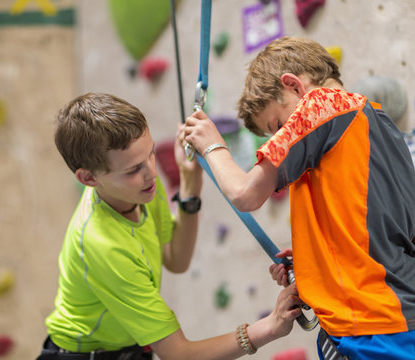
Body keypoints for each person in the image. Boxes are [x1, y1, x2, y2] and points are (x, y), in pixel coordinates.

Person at [183, 36, 415, 360]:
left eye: (278, 125)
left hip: (369, 322)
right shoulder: (377, 120)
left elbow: (245, 193)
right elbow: (385, 221)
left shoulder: (319, 105)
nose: (282, 136)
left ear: (294, 86)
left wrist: (211, 144)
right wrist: (315, 257)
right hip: (397, 312)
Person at [36, 92, 303, 360]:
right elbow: (178, 354)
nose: (151, 172)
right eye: (132, 169)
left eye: (150, 154)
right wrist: (268, 327)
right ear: (88, 178)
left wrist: (190, 184)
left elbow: (176, 259)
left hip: (127, 349)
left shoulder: (138, 187)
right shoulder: (103, 245)